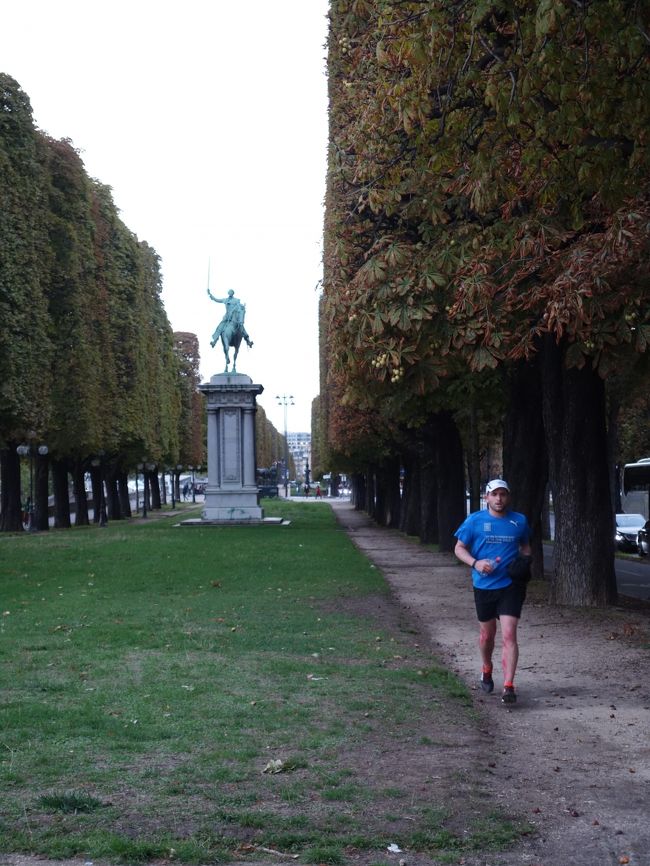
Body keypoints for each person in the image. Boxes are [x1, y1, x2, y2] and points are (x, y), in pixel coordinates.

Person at [454, 479, 531, 705]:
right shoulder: (474, 521)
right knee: (487, 635)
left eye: (503, 494)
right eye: (494, 494)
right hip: (484, 586)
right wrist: (475, 563)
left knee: (509, 634)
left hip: (511, 586)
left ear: (508, 497)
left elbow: (526, 546)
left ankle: (508, 686)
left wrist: (525, 562)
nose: (499, 499)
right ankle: (487, 667)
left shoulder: (519, 521)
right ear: (487, 497)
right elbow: (459, 548)